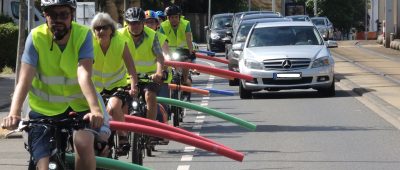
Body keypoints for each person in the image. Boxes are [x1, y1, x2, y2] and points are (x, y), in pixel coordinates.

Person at [1, 0, 103, 169]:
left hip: (78, 108)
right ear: (45, 16)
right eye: (52, 15)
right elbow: (24, 79)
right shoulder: (35, 37)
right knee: (42, 164)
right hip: (42, 111)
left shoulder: (83, 35)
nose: (58, 20)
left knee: (84, 144)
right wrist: (14, 112)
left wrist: (95, 110)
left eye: (63, 14)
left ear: (72, 15)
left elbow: (84, 74)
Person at [90, 12, 139, 156]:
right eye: (97, 29)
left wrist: (133, 86)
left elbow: (131, 68)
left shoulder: (120, 43)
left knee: (113, 105)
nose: (101, 31)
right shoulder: (90, 44)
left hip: (118, 86)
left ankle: (123, 137)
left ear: (111, 30)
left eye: (104, 28)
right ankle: (101, 142)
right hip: (96, 89)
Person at [119, 7, 165, 122]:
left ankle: (150, 129)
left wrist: (159, 72)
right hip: (125, 77)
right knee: (121, 101)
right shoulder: (118, 35)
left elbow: (159, 57)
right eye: (132, 23)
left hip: (148, 77)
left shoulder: (152, 35)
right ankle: (123, 133)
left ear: (143, 23)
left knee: (150, 95)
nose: (135, 26)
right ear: (127, 23)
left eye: (138, 23)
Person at [159, 5, 195, 88]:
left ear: (179, 17)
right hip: (169, 50)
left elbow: (189, 39)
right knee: (163, 63)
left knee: (187, 62)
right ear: (168, 18)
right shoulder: (163, 26)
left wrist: (191, 52)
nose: (174, 19)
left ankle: (185, 79)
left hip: (183, 49)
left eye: (176, 17)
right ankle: (164, 79)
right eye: (171, 17)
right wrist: (164, 54)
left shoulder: (186, 24)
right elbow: (162, 41)